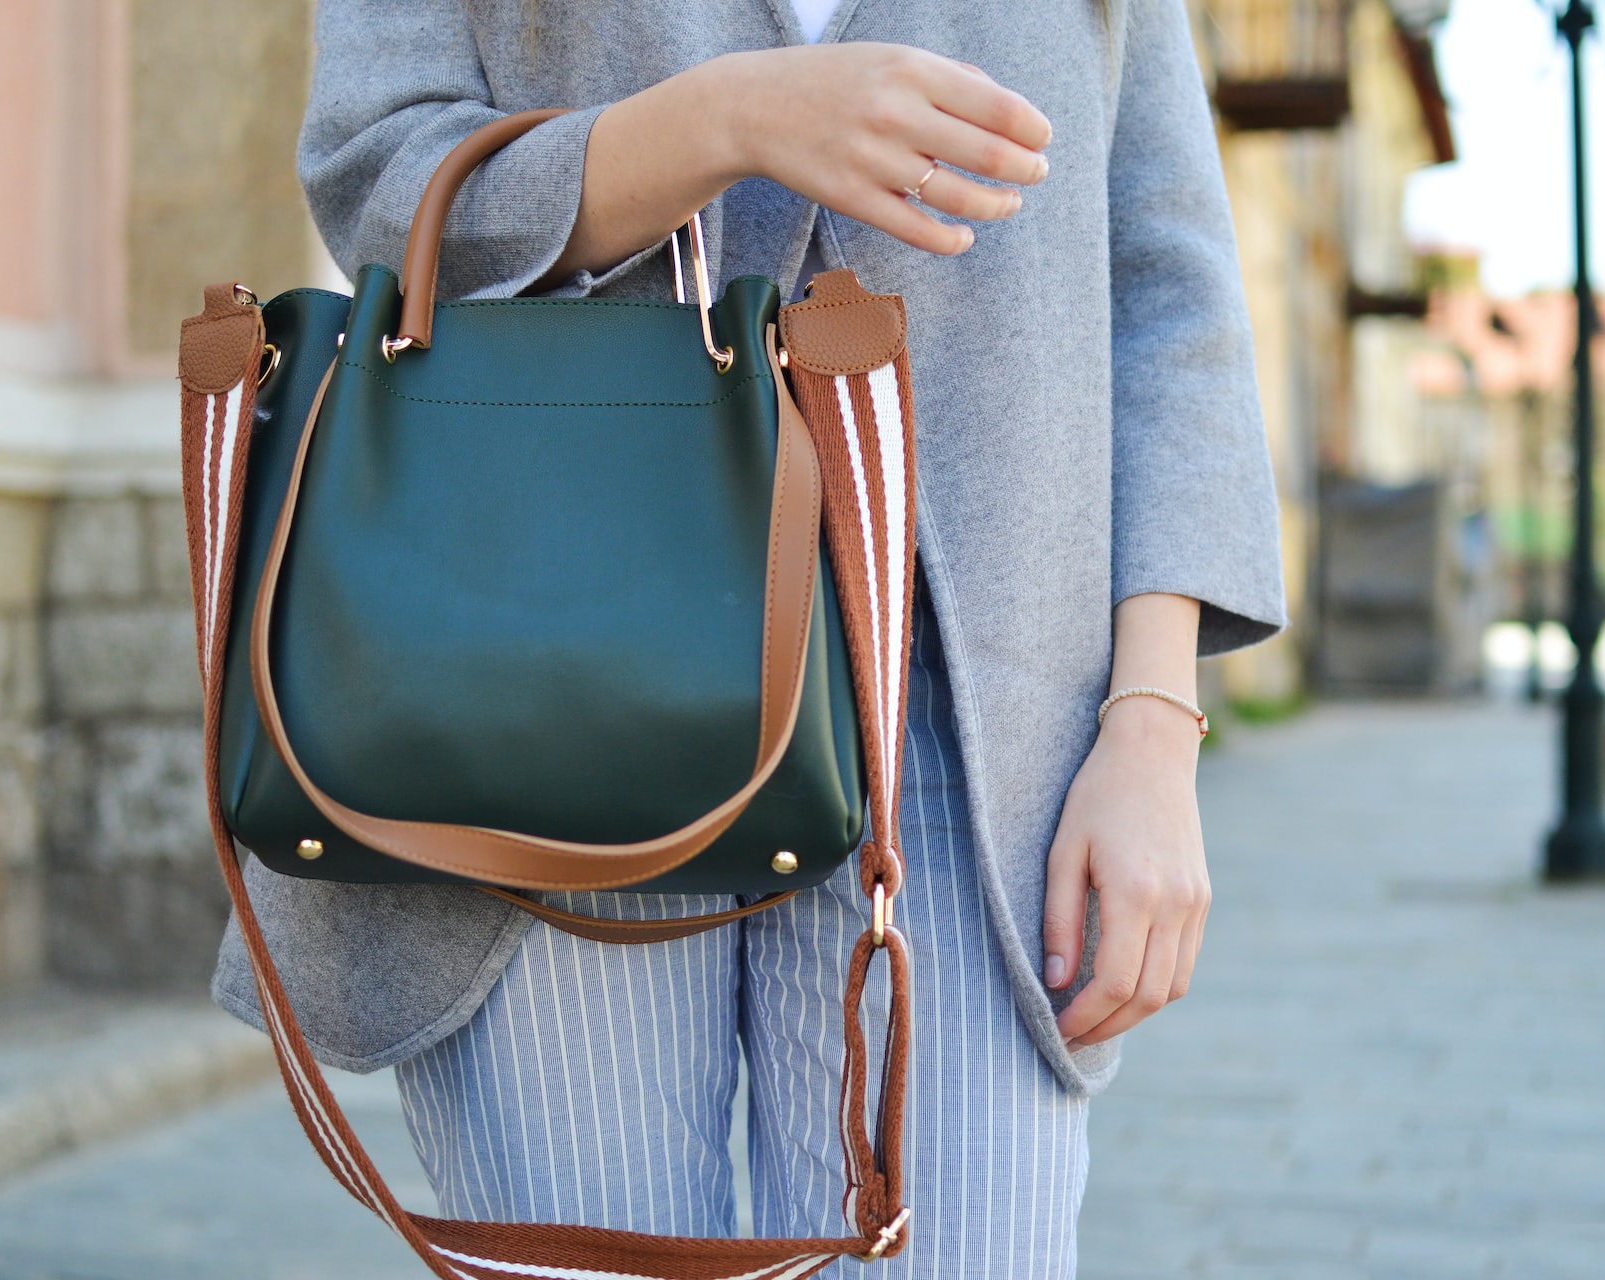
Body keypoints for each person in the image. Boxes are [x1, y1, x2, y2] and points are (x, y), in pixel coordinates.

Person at [213, 0, 1287, 1274]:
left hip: (970, 711)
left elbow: (1164, 286)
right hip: (541, 668)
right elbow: (379, 176)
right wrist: (726, 118)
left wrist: (1156, 719)